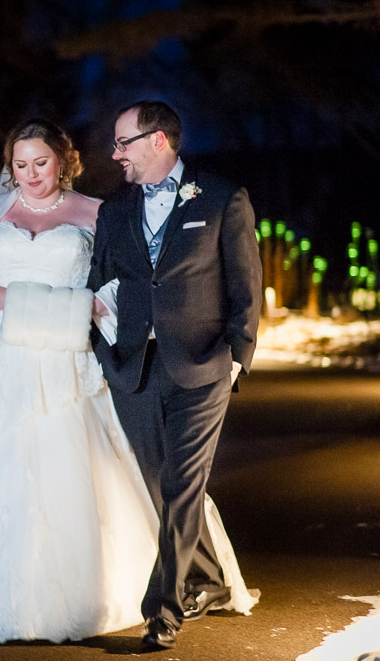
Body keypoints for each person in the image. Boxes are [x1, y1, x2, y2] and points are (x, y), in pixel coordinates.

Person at [0, 118, 254, 644]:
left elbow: (116, 280)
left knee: (94, 466)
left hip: (73, 357)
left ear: (64, 161)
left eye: (42, 162)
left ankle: (166, 582)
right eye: (20, 165)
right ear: (9, 167)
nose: (31, 174)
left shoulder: (100, 212)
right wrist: (40, 306)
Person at [88, 100, 263, 650]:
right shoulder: (113, 212)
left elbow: (246, 287)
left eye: (124, 143)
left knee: (183, 483)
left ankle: (162, 609)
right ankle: (208, 578)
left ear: (158, 140)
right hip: (134, 369)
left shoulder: (222, 198)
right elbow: (99, 286)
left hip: (204, 364)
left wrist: (237, 356)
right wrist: (101, 346)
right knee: (160, 488)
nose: (115, 155)